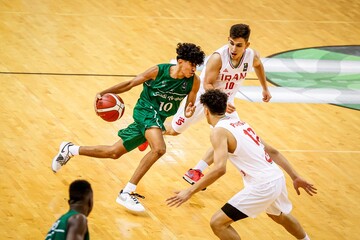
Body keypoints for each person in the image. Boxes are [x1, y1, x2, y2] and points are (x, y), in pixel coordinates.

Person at [51, 43, 205, 212]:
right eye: (191, 64)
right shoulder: (158, 71)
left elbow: (189, 107)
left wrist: (189, 111)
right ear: (180, 61)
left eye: (196, 65)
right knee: (159, 149)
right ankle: (127, 192)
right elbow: (131, 83)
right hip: (145, 111)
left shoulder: (194, 82)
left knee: (114, 152)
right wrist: (103, 92)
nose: (194, 69)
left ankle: (71, 149)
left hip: (157, 119)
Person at [167, 89, 317, 240]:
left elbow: (219, 169)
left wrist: (190, 191)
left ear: (205, 111)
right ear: (226, 107)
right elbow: (273, 151)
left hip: (263, 185)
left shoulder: (218, 132)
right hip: (277, 178)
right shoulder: (241, 124)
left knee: (217, 223)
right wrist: (295, 177)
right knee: (279, 216)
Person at [164, 24, 272, 184]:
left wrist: (265, 88)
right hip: (204, 99)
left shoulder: (252, 55)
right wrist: (223, 100)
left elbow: (258, 65)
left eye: (239, 45)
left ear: (247, 45)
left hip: (225, 103)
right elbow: (207, 84)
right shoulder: (218, 57)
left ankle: (196, 171)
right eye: (231, 43)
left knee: (229, 138)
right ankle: (149, 131)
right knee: (174, 130)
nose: (233, 48)